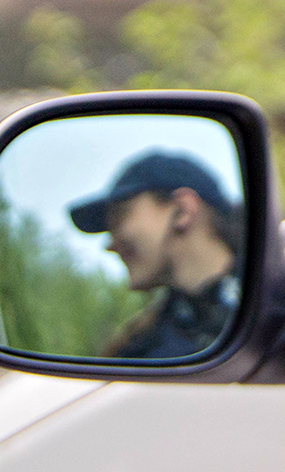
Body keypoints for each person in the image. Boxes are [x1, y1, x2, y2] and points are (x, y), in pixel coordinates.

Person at [67, 149, 243, 360]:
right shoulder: (140, 352)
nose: (110, 245)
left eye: (119, 217)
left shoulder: (281, 302)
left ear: (183, 210)